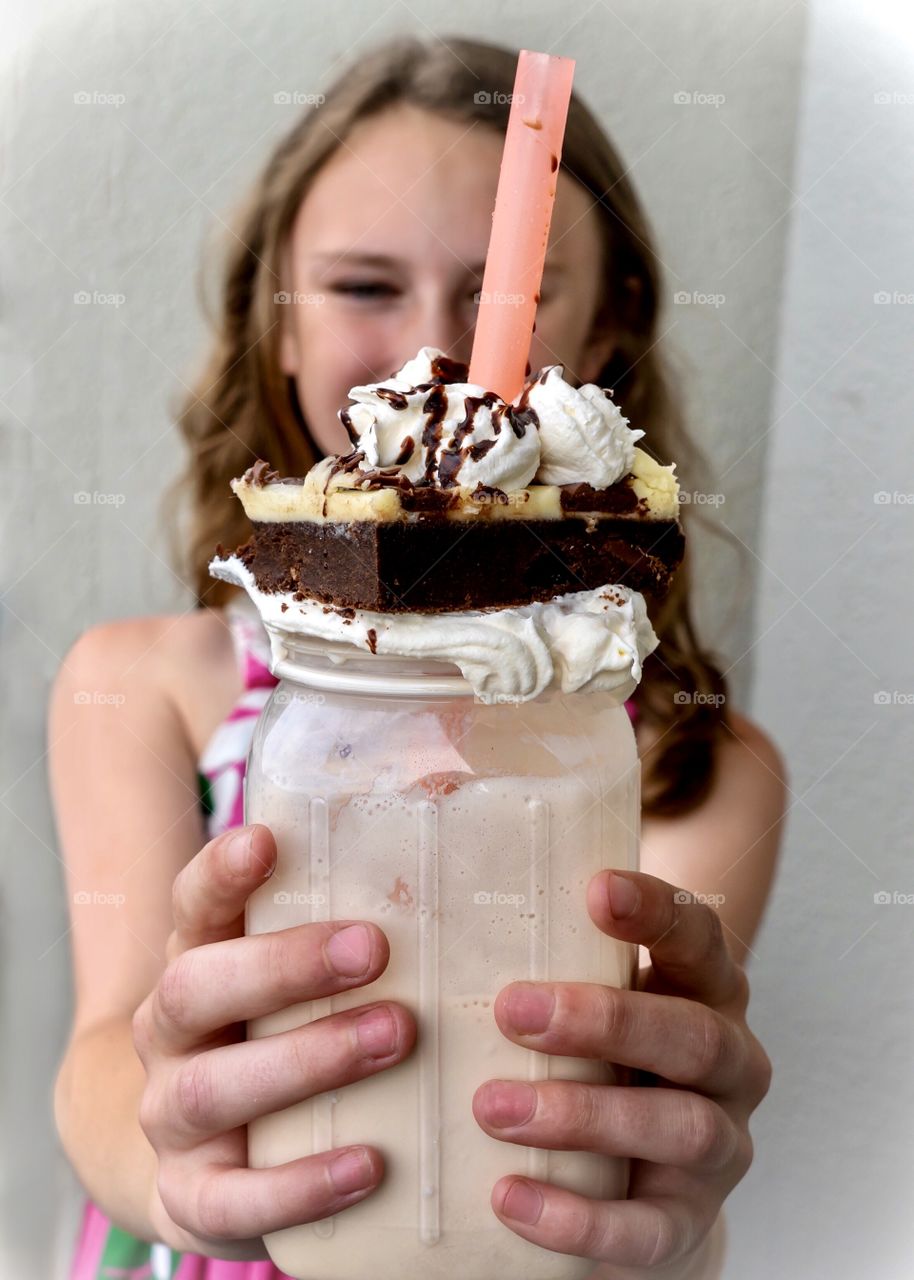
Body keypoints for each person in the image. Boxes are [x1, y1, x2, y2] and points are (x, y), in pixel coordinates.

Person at [49, 33, 786, 1280]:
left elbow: (624, 1124)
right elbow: (103, 1053)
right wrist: (172, 1159)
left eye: (504, 289)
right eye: (362, 287)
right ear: (270, 326)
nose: (429, 358)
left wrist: (672, 1222)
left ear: (606, 331)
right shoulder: (141, 682)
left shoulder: (679, 763)